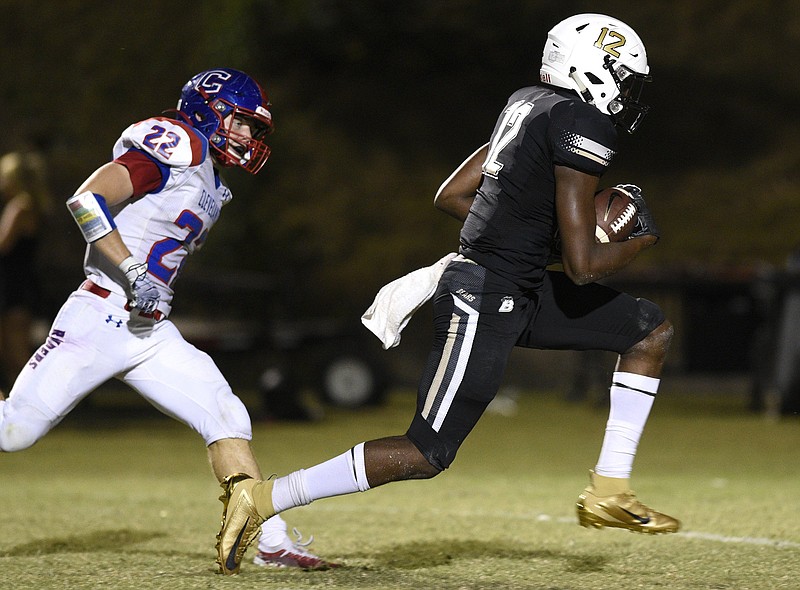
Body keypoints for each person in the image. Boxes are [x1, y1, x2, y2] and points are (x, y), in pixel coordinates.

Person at [214, 14, 680, 574]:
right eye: (624, 78)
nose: (627, 94)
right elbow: (583, 268)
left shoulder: (528, 102)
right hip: (485, 294)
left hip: (515, 284)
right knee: (425, 452)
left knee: (648, 328)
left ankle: (609, 488)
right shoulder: (580, 122)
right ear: (595, 70)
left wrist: (524, 238)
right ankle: (261, 499)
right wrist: (641, 240)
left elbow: (453, 195)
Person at [0, 68, 334, 573]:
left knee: (225, 413)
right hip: (99, 313)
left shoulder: (211, 180)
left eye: (253, 129)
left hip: (149, 330)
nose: (246, 136)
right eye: (240, 123)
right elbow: (86, 201)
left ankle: (269, 540)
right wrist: (133, 271)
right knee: (14, 432)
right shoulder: (175, 143)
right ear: (206, 108)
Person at [0, 151, 50, 389]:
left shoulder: (20, 206)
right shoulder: (34, 204)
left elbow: (3, 244)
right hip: (20, 283)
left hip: (14, 285)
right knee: (12, 354)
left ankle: (29, 409)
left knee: (17, 354)